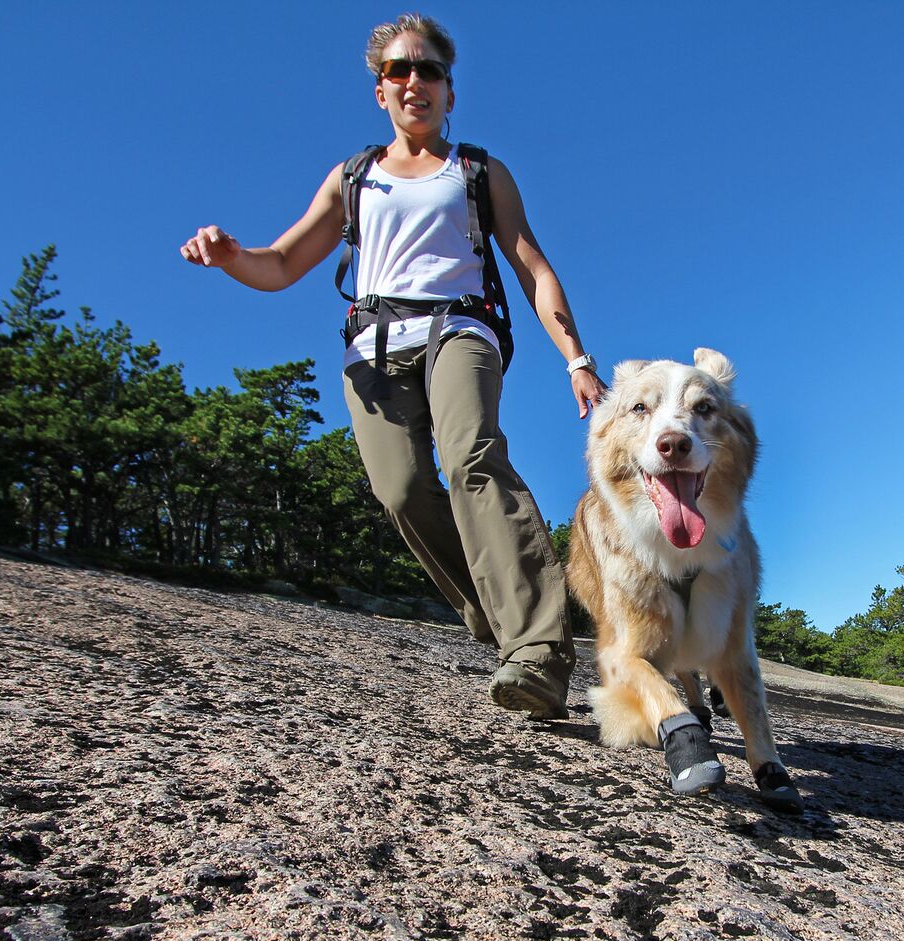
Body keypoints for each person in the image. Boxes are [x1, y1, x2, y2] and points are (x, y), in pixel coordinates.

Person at [180, 13, 602, 720]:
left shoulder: (477, 172)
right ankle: (503, 615)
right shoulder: (352, 178)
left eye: (428, 69)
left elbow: (531, 266)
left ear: (450, 90)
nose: (415, 82)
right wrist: (230, 257)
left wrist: (576, 359)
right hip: (373, 347)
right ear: (380, 91)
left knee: (471, 457)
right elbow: (282, 264)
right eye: (398, 71)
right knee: (401, 491)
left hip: (459, 329)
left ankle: (537, 653)